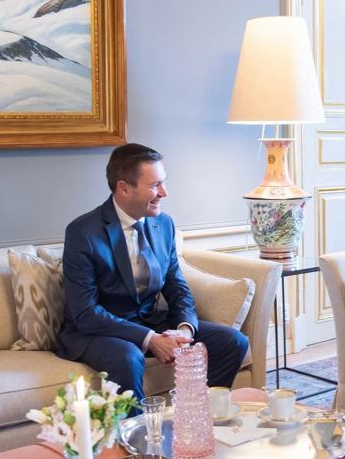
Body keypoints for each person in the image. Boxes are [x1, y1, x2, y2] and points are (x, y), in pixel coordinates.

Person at [56, 143, 249, 406]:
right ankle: (134, 441)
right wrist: (150, 340)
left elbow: (176, 285)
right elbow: (86, 312)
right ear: (124, 188)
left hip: (149, 319)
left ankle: (197, 417)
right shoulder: (83, 232)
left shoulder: (164, 223)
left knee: (232, 341)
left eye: (163, 183)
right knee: (128, 356)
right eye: (155, 185)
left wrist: (184, 329)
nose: (164, 192)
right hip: (99, 331)